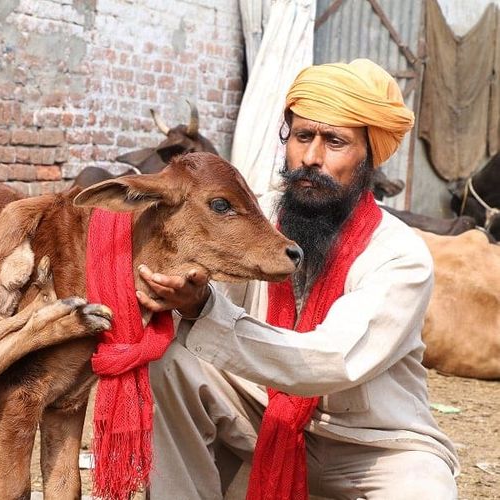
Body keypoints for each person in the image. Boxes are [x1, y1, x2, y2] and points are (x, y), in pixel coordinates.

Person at [136, 59, 459, 500]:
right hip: (262, 416)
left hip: (372, 445)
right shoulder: (256, 218)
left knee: (427, 490)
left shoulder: (399, 254)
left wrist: (205, 310)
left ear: (369, 157)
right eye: (303, 136)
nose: (311, 158)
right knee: (172, 360)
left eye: (335, 142)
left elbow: (332, 358)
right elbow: (197, 280)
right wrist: (182, 289)